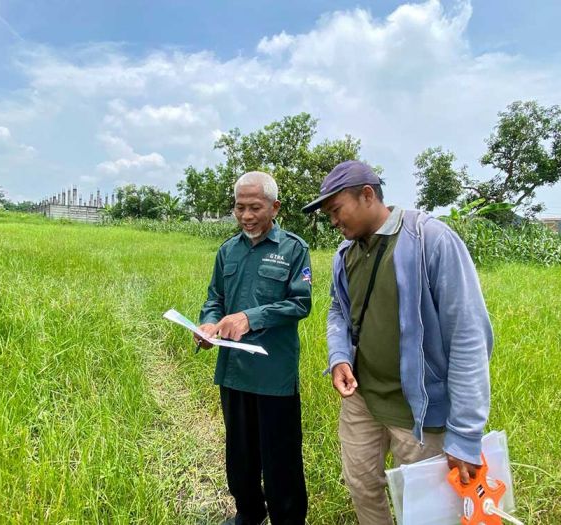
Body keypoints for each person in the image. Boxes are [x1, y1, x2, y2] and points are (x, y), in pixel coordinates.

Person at [302, 160, 493, 525]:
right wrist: (340, 356)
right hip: (362, 399)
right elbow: (339, 312)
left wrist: (467, 434)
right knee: (361, 485)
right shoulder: (346, 255)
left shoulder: (430, 240)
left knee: (423, 507)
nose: (333, 222)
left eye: (336, 210)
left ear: (368, 195)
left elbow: (468, 336)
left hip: (417, 411)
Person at [196, 171, 312, 525]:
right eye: (239, 207)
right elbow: (214, 298)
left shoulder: (293, 249)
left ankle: (287, 519)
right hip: (234, 372)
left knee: (280, 457)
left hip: (274, 374)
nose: (246, 216)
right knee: (240, 455)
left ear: (274, 207)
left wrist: (250, 317)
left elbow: (300, 303)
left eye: (255, 207)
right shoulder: (227, 251)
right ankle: (248, 512)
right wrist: (207, 323)